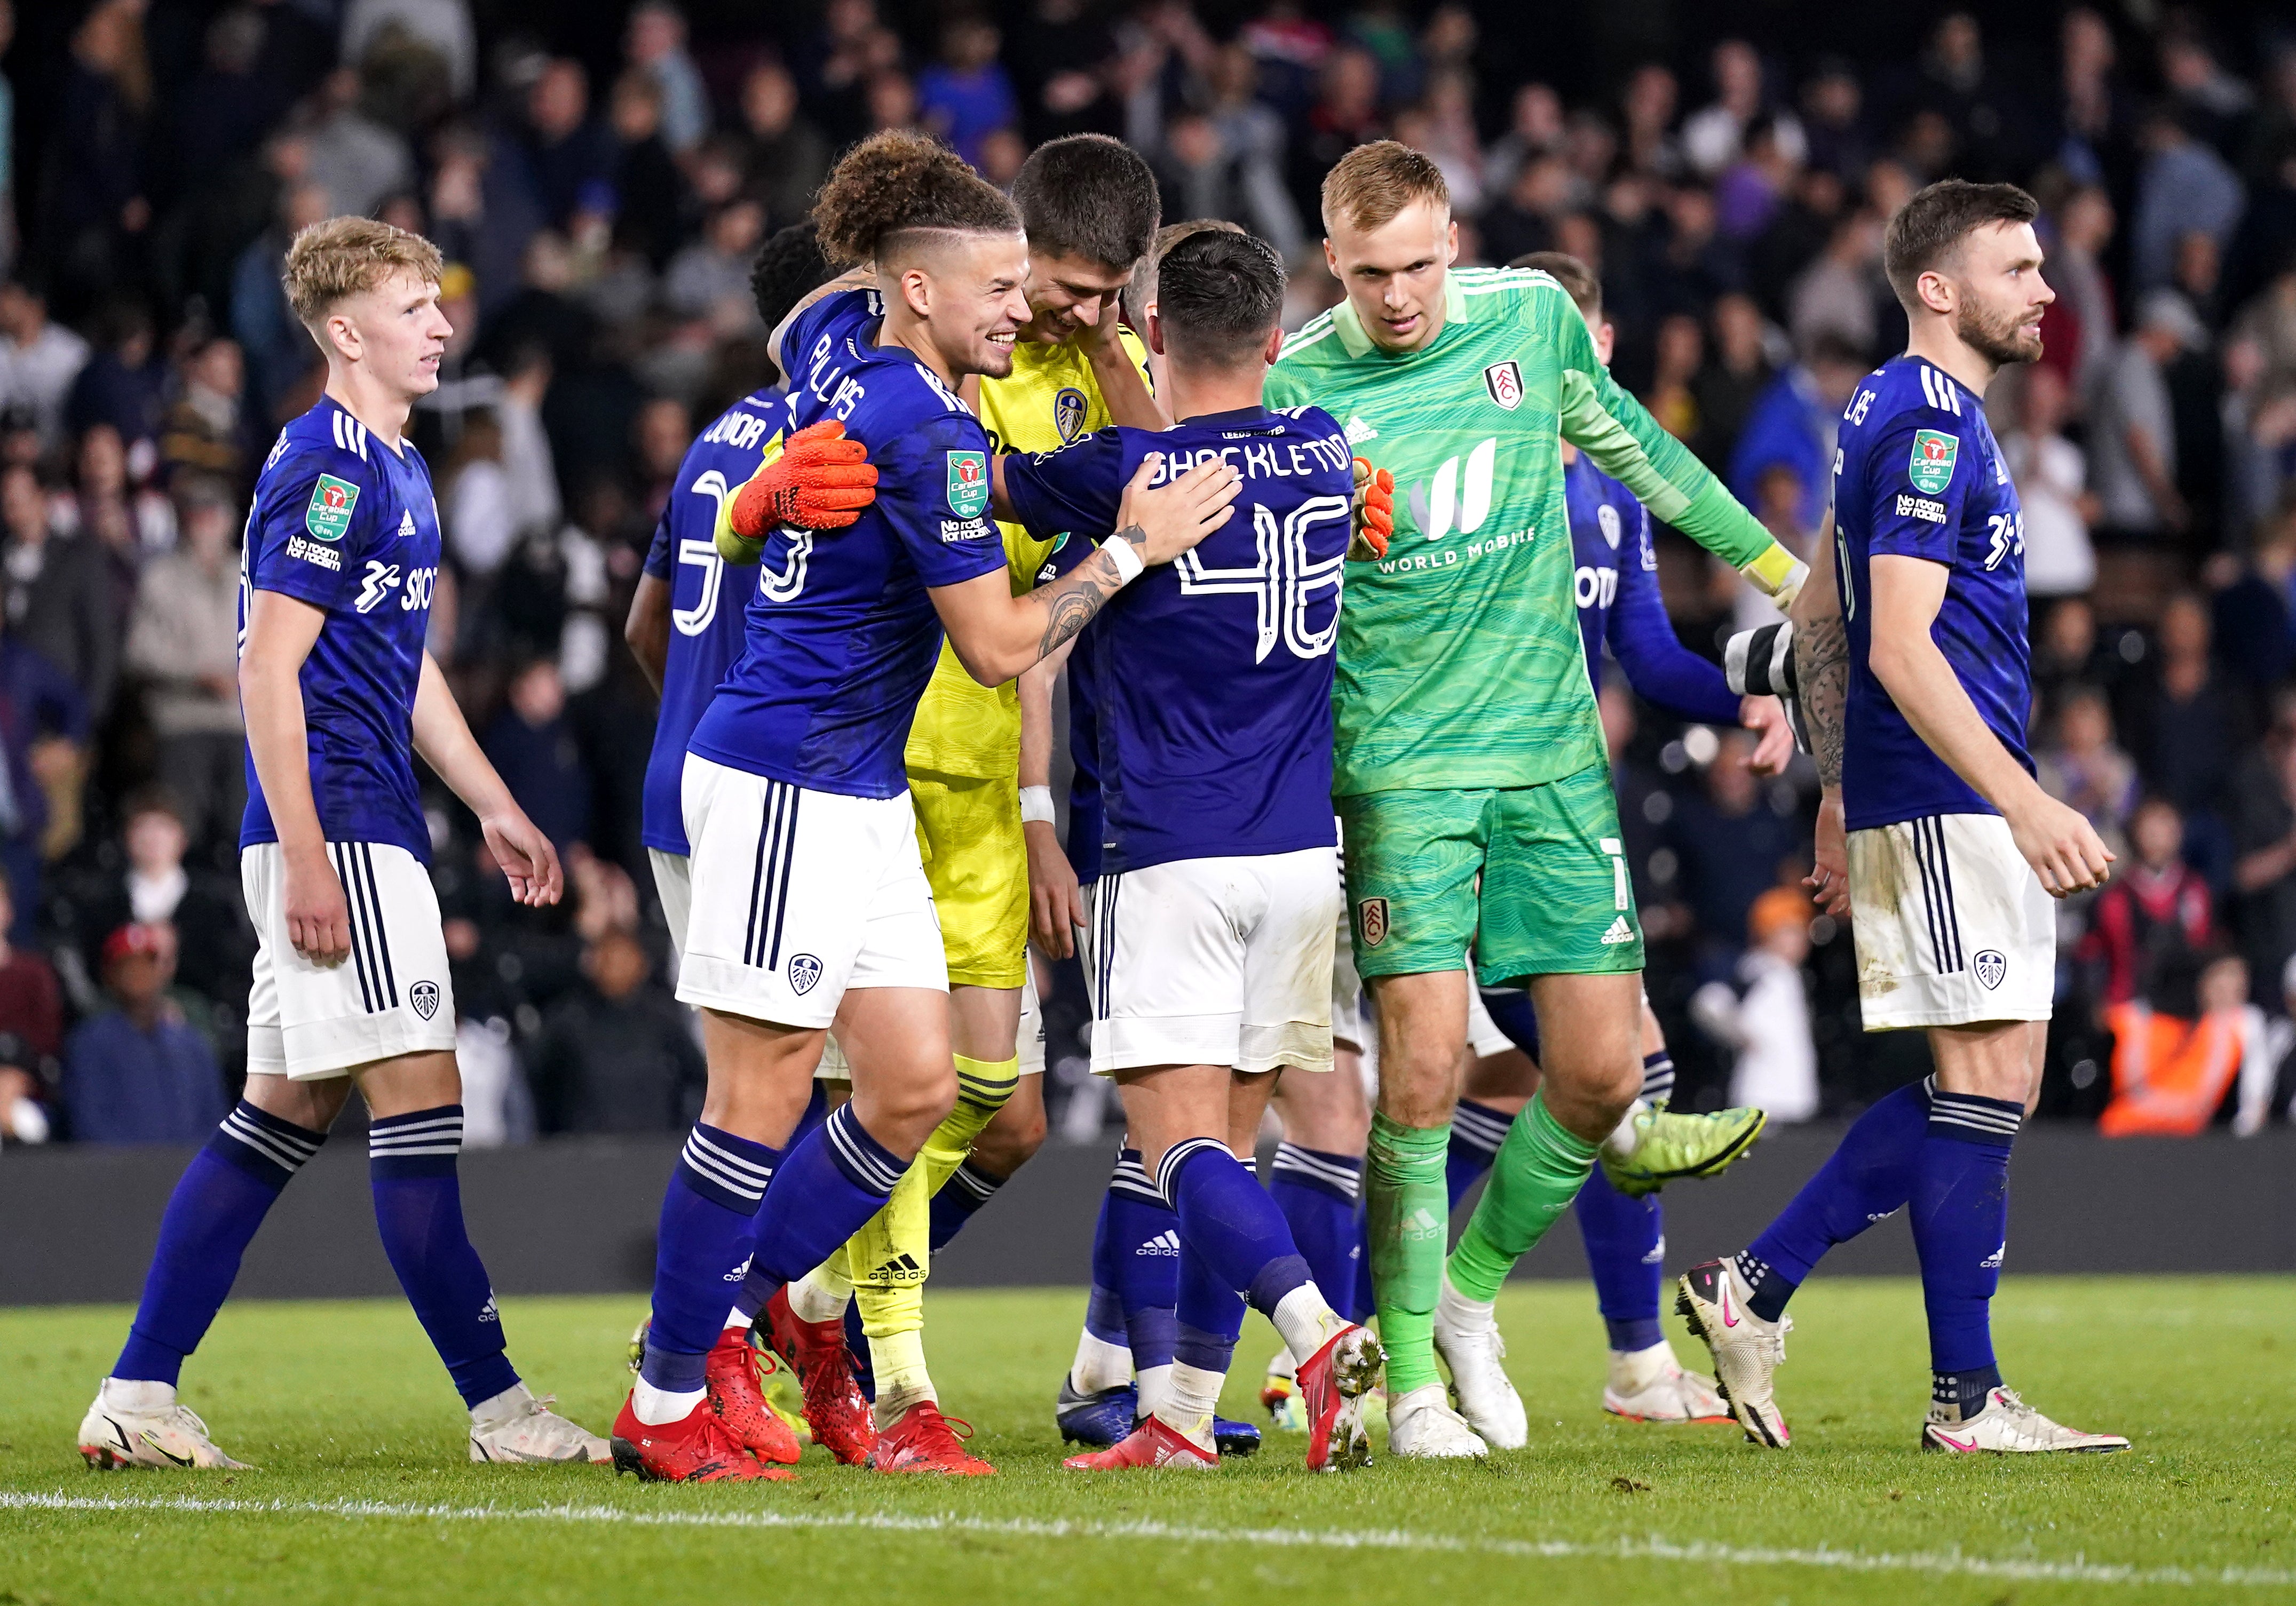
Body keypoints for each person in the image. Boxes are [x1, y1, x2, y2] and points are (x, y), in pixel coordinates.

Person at [610, 131, 1239, 1484]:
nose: (1019, 308)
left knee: (913, 1088)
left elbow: (835, 334)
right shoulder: (915, 415)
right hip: (784, 775)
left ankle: (755, 1307)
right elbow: (1002, 650)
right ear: (920, 294)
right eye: (1000, 287)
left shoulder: (858, 359)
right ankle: (665, 1402)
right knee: (756, 1099)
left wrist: (1094, 472)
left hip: (856, 784)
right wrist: (1135, 542)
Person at [1263, 142, 1807, 1458]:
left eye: (1418, 264)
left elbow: (1645, 455)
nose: (1398, 297)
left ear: (1455, 238)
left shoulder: (1529, 317)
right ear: (1331, 260)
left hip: (1553, 762)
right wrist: (1317, 532)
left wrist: (1787, 578)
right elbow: (1264, 603)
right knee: (1425, 1077)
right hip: (1399, 771)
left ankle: (1463, 1300)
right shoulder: (1298, 389)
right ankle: (1406, 1392)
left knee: (1599, 1072)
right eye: (1369, 272)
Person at [78, 216, 606, 1473]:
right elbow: (266, 668)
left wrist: (489, 800)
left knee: (279, 1115)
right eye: (415, 305)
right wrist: (310, 854)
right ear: (344, 329)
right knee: (422, 1102)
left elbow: (403, 669)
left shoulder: (399, 464)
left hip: (367, 823)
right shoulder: (322, 464)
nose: (440, 324)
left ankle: (139, 1393)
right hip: (341, 831)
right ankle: (500, 1409)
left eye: (440, 303)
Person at [1676, 179, 2129, 1455]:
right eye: (2018, 267)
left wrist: (1831, 796)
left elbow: (1816, 612)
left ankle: (1755, 1290)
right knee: (1981, 1084)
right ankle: (1958, 1395)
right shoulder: (1929, 428)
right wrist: (2024, 800)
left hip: (1915, 790)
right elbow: (1894, 646)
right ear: (1938, 287)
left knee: (1993, 1083)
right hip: (1950, 790)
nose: (2045, 289)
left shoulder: (1882, 406)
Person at [763, 134, 1170, 1472]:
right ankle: (897, 1383)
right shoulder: (938, 346)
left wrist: (1042, 803)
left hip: (997, 757)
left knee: (994, 1092)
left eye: (1108, 294)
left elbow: (1163, 491)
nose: (1066, 311)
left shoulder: (1067, 367)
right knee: (906, 1083)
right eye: (1057, 285)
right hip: (881, 748)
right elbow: (815, 326)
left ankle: (807, 1296)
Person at [995, 228, 1381, 1471]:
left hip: (1169, 854)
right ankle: (1173, 1422)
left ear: (1158, 334)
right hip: (1297, 857)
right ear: (1276, 343)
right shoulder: (1325, 447)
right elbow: (1181, 434)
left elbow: (969, 480)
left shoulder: (1121, 468)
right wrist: (1116, 349)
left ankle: (1318, 1334)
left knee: (1174, 1146)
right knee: (1234, 1148)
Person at [1418, 251, 1786, 1428]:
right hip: (1464, 807)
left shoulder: (1615, 501)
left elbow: (1653, 661)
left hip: (1570, 812)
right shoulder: (1467, 481)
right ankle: (1607, 1350)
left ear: (1603, 349)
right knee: (1608, 1072)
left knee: (1516, 1086)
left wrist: (1751, 696)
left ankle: (1611, 1358)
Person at [621, 219, 877, 1467]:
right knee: (779, 1092)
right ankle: (704, 1360)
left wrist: (690, 716)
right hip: (778, 786)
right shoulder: (834, 437)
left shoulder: (717, 440)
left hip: (690, 782)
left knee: (821, 1087)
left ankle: (756, 1343)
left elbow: (641, 621)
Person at [62, 923, 226, 1144]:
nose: (139, 974)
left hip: (187, 1170)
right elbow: (90, 1123)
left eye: (147, 964)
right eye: (128, 966)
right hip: (117, 1173)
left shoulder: (191, 1044)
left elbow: (214, 1119)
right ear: (110, 975)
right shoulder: (90, 1043)